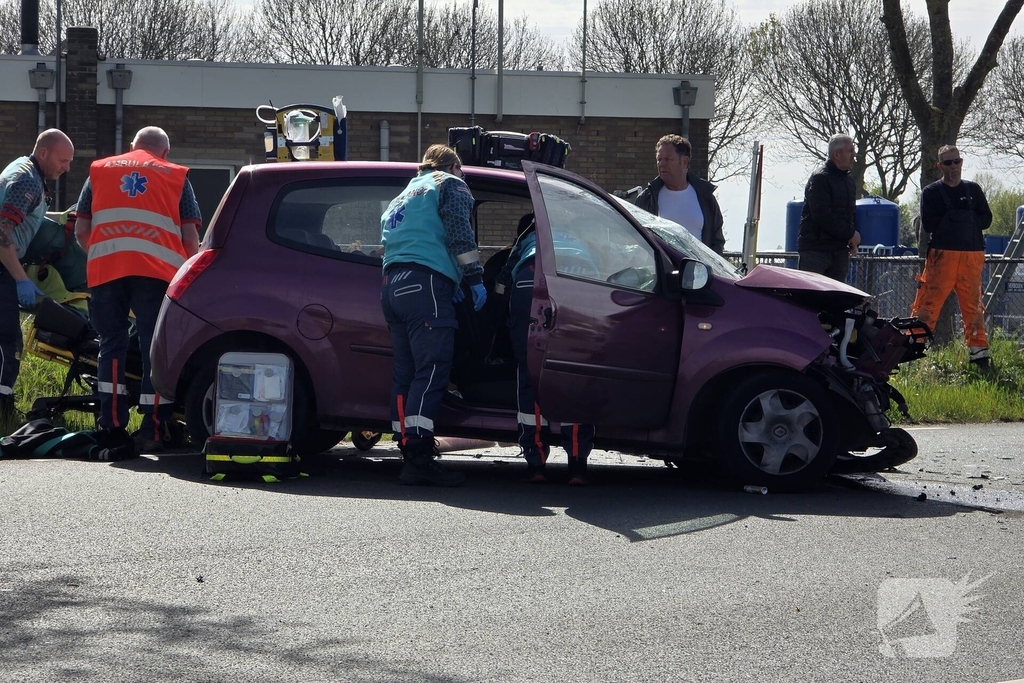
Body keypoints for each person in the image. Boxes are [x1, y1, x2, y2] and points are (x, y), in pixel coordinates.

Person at [74, 127, 201, 452]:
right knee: (153, 350)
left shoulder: (99, 171)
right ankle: (152, 430)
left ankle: (112, 426)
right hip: (157, 274)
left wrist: (105, 255)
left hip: (106, 271)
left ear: (132, 146)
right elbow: (190, 239)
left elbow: (82, 229)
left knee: (111, 345)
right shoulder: (176, 176)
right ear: (165, 153)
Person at [380, 144, 485, 487]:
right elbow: (459, 231)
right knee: (432, 370)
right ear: (452, 165)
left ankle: (406, 447)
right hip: (425, 285)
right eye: (462, 168)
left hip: (392, 286)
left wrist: (449, 276)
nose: (464, 175)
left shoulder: (405, 193)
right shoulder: (450, 183)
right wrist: (473, 277)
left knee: (405, 374)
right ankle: (420, 457)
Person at [495, 215, 596, 486]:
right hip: (577, 279)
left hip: (529, 279)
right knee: (573, 373)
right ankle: (577, 466)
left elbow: (502, 284)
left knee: (529, 372)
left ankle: (536, 465)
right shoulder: (580, 241)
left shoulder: (527, 237)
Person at [0, 129, 75, 419]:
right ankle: (3, 405)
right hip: (3, 267)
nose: (67, 168)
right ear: (43, 153)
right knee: (8, 340)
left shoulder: (24, 169)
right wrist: (21, 279)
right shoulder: (27, 181)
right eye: (63, 160)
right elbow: (2, 232)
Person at [912, 145, 993, 369]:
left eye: (956, 161)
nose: (953, 166)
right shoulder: (931, 192)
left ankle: (979, 356)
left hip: (972, 256)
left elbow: (987, 219)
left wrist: (969, 223)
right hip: (942, 257)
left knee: (973, 307)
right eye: (948, 163)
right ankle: (912, 350)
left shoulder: (974, 190)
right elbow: (928, 224)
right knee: (928, 305)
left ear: (961, 162)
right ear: (940, 166)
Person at [634, 134, 726, 255]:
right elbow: (636, 240)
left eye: (668, 159)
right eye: (659, 159)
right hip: (661, 267)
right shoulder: (647, 199)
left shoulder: (705, 197)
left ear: (684, 162)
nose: (662, 164)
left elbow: (717, 242)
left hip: (698, 266)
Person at [797, 134, 861, 281]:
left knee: (836, 295)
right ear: (837, 154)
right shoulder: (820, 178)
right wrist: (850, 233)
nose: (854, 155)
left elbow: (850, 214)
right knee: (811, 293)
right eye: (850, 151)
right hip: (816, 250)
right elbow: (822, 215)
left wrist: (852, 239)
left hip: (839, 251)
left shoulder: (849, 182)